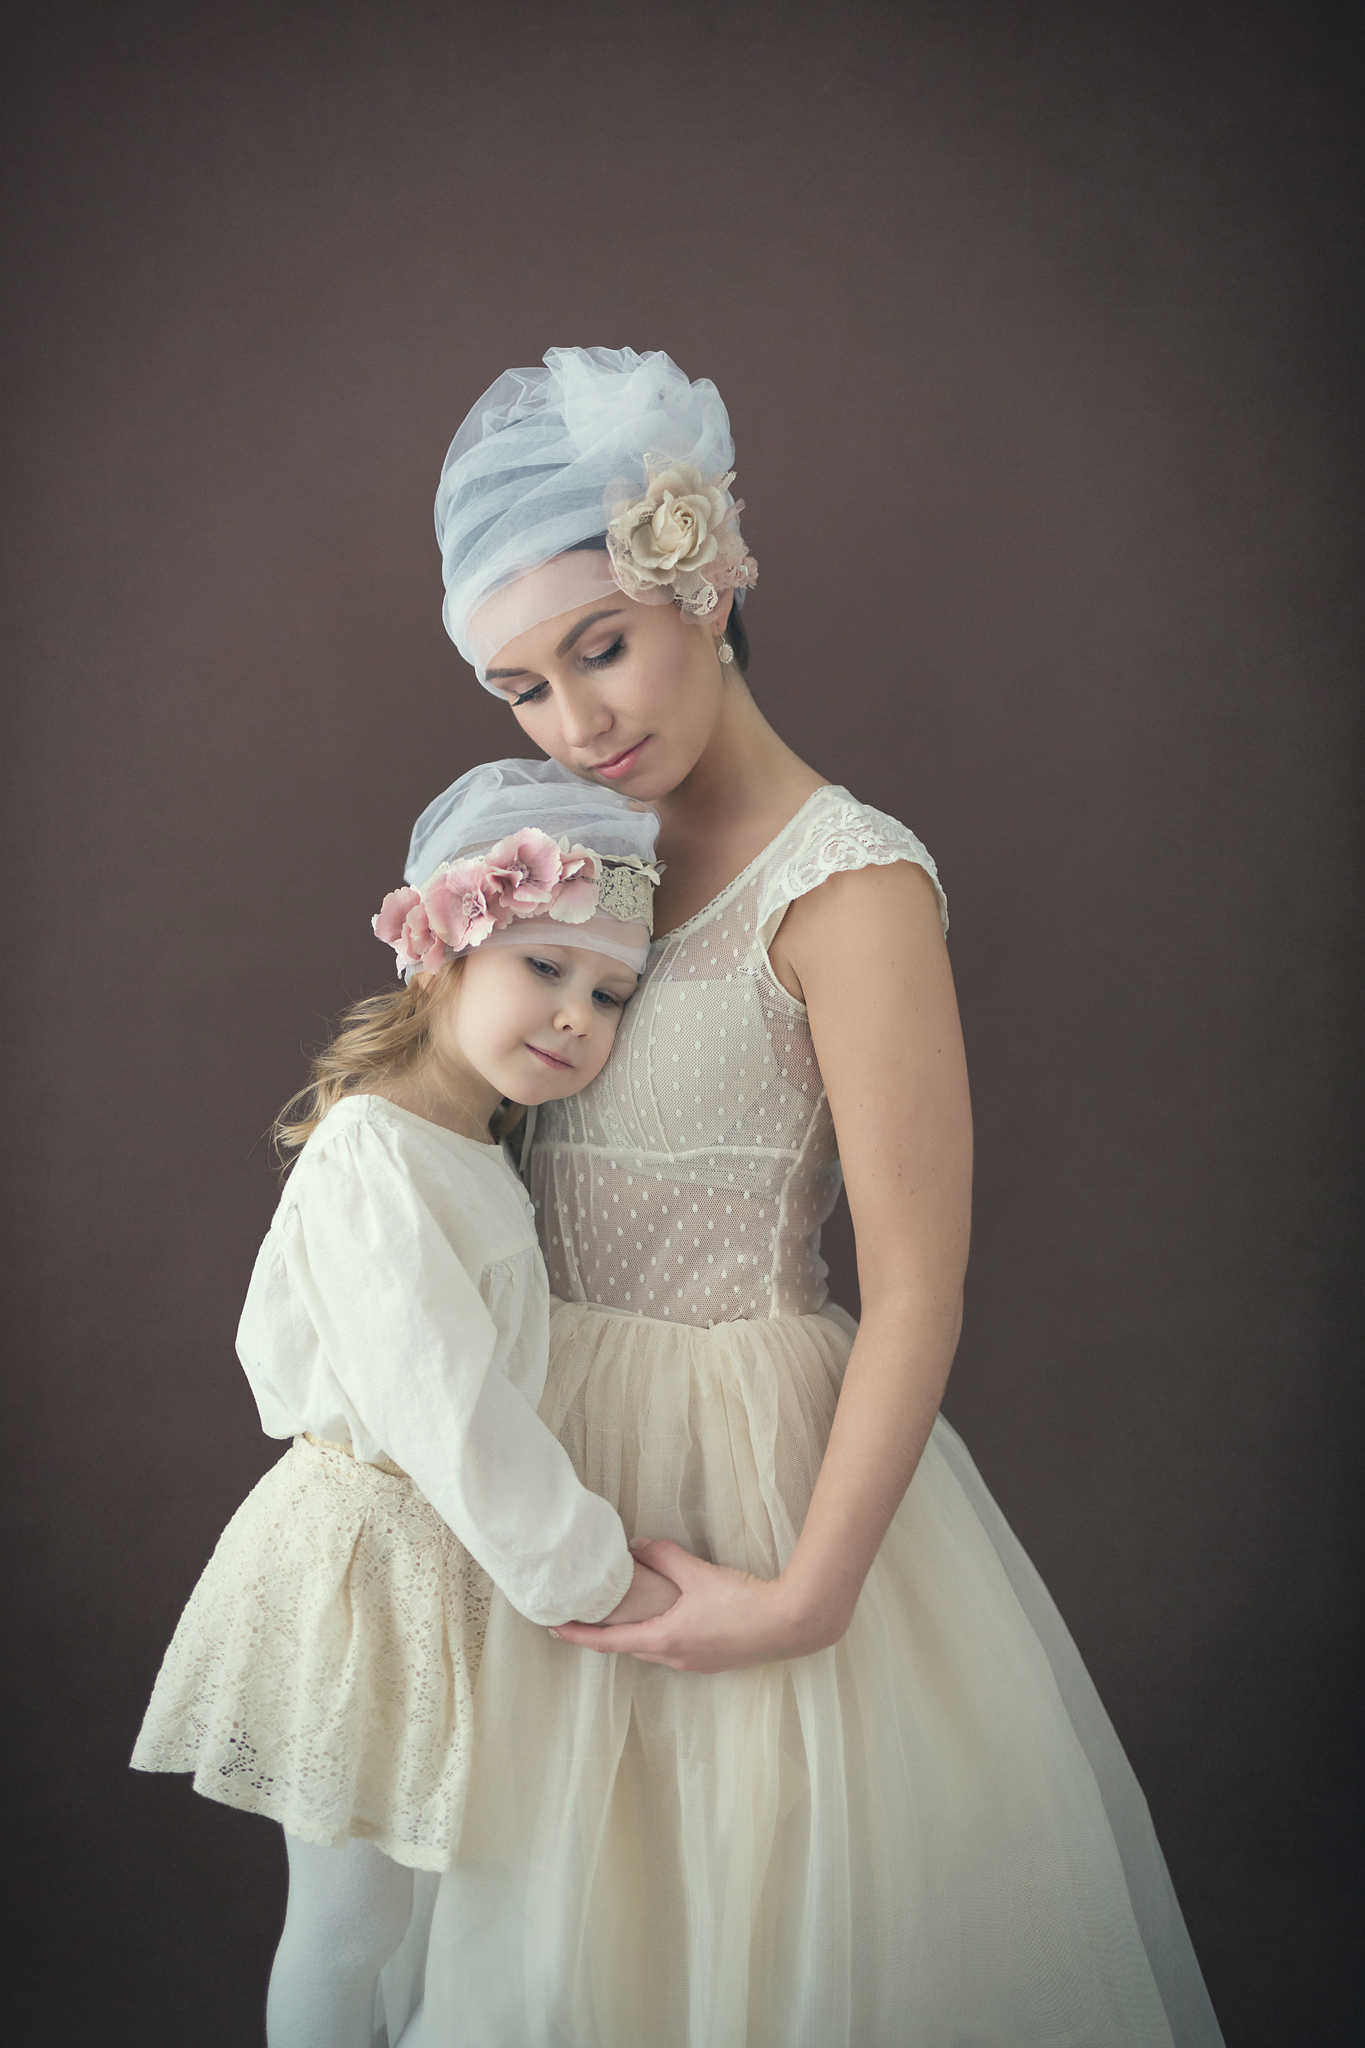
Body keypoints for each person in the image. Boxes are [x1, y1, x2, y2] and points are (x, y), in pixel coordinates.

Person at [404, 347, 1226, 2046]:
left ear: (702, 579)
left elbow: (916, 1285)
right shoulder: (567, 867)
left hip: (748, 1487)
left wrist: (804, 1598)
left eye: (600, 647)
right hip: (543, 1475)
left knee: (753, 1929)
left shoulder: (846, 887)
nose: (575, 726)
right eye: (522, 688)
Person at [131, 758, 679, 2048]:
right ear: (443, 954)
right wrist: (597, 1575)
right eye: (544, 967)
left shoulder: (477, 1143)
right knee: (350, 1924)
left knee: (433, 1917)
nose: (576, 1016)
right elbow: (446, 1410)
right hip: (368, 1564)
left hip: (447, 1566)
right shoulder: (374, 1150)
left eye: (608, 994)